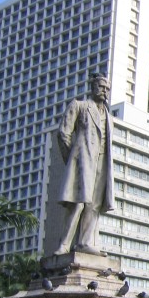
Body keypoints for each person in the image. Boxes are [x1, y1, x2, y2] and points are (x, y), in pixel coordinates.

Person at [53, 72, 115, 256]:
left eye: (107, 89)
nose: (104, 91)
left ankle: (85, 242)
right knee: (78, 203)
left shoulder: (109, 117)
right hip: (82, 161)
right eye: (101, 87)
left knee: (94, 205)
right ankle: (64, 244)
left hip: (102, 163)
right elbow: (63, 133)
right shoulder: (79, 106)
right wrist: (72, 158)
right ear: (93, 87)